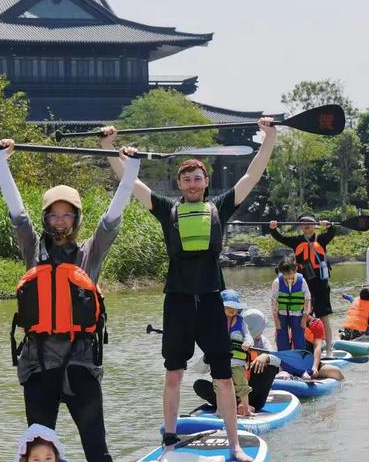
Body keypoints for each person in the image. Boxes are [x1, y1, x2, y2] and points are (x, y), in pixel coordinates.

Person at [102, 118, 277, 461]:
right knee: (173, 374)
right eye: (186, 179)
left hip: (212, 302)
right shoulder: (168, 209)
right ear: (179, 183)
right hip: (178, 303)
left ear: (206, 182)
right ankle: (169, 443)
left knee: (224, 378)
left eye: (197, 179)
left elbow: (251, 176)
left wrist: (269, 136)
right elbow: (129, 181)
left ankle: (235, 445)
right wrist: (109, 148)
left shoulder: (220, 207)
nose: (192, 183)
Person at [0, 129, 140, 462]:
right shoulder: (33, 249)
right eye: (54, 214)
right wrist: (0, 162)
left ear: (75, 218)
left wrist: (130, 170)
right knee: (40, 452)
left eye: (67, 214)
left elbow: (113, 218)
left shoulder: (90, 253)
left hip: (80, 364)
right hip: (38, 365)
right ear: (46, 218)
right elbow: (17, 214)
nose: (60, 221)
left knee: (96, 450)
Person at [270, 214, 336, 356]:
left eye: (310, 223)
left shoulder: (322, 239)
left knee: (324, 317)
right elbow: (280, 238)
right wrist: (273, 229)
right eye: (304, 223)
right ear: (300, 226)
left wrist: (329, 225)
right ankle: (306, 348)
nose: (307, 225)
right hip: (303, 285)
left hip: (321, 284)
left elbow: (332, 232)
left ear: (315, 225)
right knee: (303, 318)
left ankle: (329, 349)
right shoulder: (296, 241)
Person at [193, 307, 280, 413]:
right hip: (228, 391)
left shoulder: (262, 342)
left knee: (269, 366)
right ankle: (234, 404)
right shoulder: (226, 340)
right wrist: (209, 356)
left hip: (251, 394)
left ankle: (247, 404)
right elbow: (199, 370)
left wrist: (265, 357)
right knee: (199, 385)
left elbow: (278, 361)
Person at [271, 257, 311, 351]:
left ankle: (300, 360)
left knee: (299, 339)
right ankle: (283, 361)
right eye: (285, 274)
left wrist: (304, 318)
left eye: (290, 273)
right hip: (282, 315)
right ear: (281, 272)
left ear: (295, 269)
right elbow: (273, 302)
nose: (289, 276)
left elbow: (307, 300)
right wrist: (276, 320)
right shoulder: (277, 282)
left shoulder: (302, 281)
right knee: (281, 339)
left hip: (298, 315)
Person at [303, 315, 344, 381]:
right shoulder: (285, 322)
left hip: (311, 364)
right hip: (292, 364)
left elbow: (317, 347)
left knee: (337, 372)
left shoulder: (316, 323)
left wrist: (315, 367)